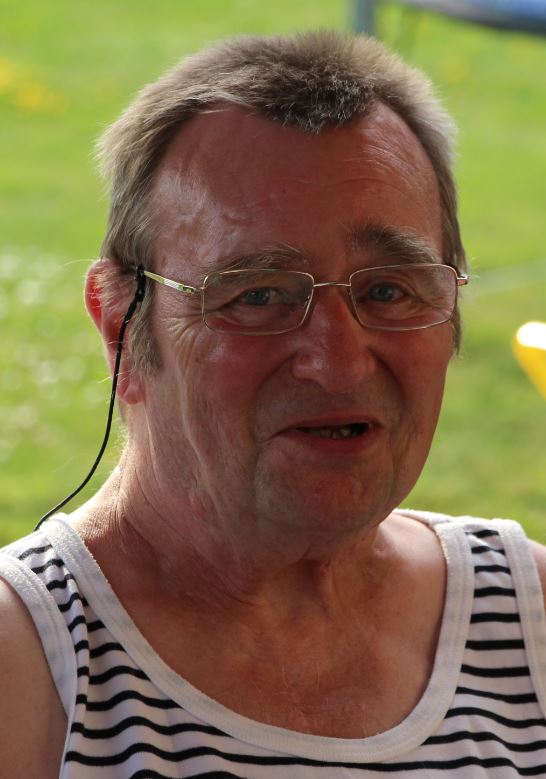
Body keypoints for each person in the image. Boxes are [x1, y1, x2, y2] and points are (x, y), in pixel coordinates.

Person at [1, 30, 545, 778]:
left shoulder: (528, 618)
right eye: (258, 295)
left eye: (389, 289)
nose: (338, 361)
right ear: (121, 324)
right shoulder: (30, 671)